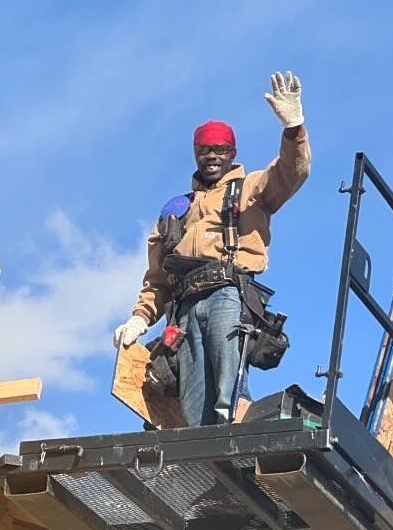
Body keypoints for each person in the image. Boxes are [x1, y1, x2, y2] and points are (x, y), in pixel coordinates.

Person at [113, 71, 311, 427]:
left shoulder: (249, 189)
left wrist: (293, 128)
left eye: (220, 149)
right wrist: (140, 318)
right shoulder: (176, 213)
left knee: (227, 386)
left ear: (232, 153)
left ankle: (236, 447)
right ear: (196, 155)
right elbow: (158, 280)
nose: (212, 156)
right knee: (193, 398)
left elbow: (291, 173)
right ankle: (202, 458)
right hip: (185, 306)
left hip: (226, 294)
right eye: (205, 150)